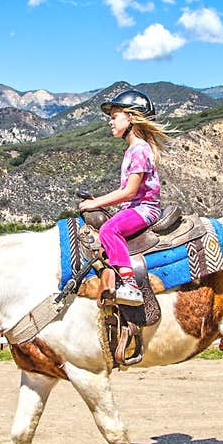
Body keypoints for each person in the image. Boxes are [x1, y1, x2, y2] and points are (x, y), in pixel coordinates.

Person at [78, 89, 171, 306]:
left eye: (114, 117)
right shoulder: (132, 149)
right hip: (135, 207)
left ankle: (130, 285)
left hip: (144, 209)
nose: (110, 122)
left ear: (131, 117)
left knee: (109, 229)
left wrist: (95, 202)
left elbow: (129, 192)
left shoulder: (139, 150)